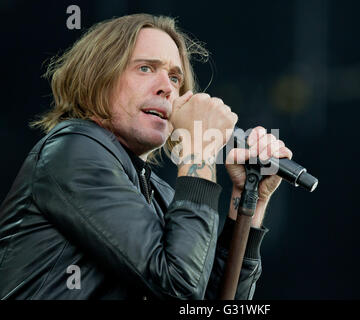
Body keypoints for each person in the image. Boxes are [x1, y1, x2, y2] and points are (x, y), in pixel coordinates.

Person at [0, 13, 292, 300]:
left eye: (175, 77)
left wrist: (249, 200)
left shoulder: (159, 195)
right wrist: (197, 146)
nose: (168, 88)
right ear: (99, 76)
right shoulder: (73, 151)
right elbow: (179, 288)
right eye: (145, 68)